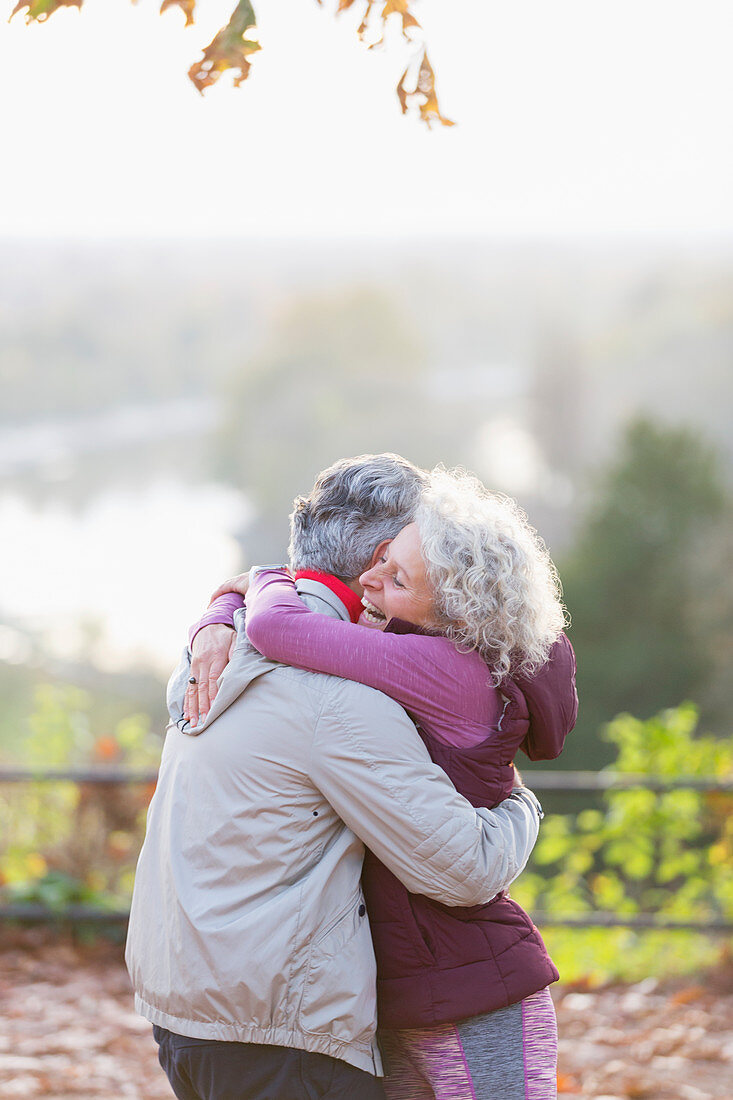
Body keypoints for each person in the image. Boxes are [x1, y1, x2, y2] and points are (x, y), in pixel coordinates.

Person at [125, 453, 546, 1100]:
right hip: (280, 1034)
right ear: (384, 553)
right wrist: (521, 805)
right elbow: (464, 869)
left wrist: (222, 602)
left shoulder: (217, 649)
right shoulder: (338, 699)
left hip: (184, 1010)